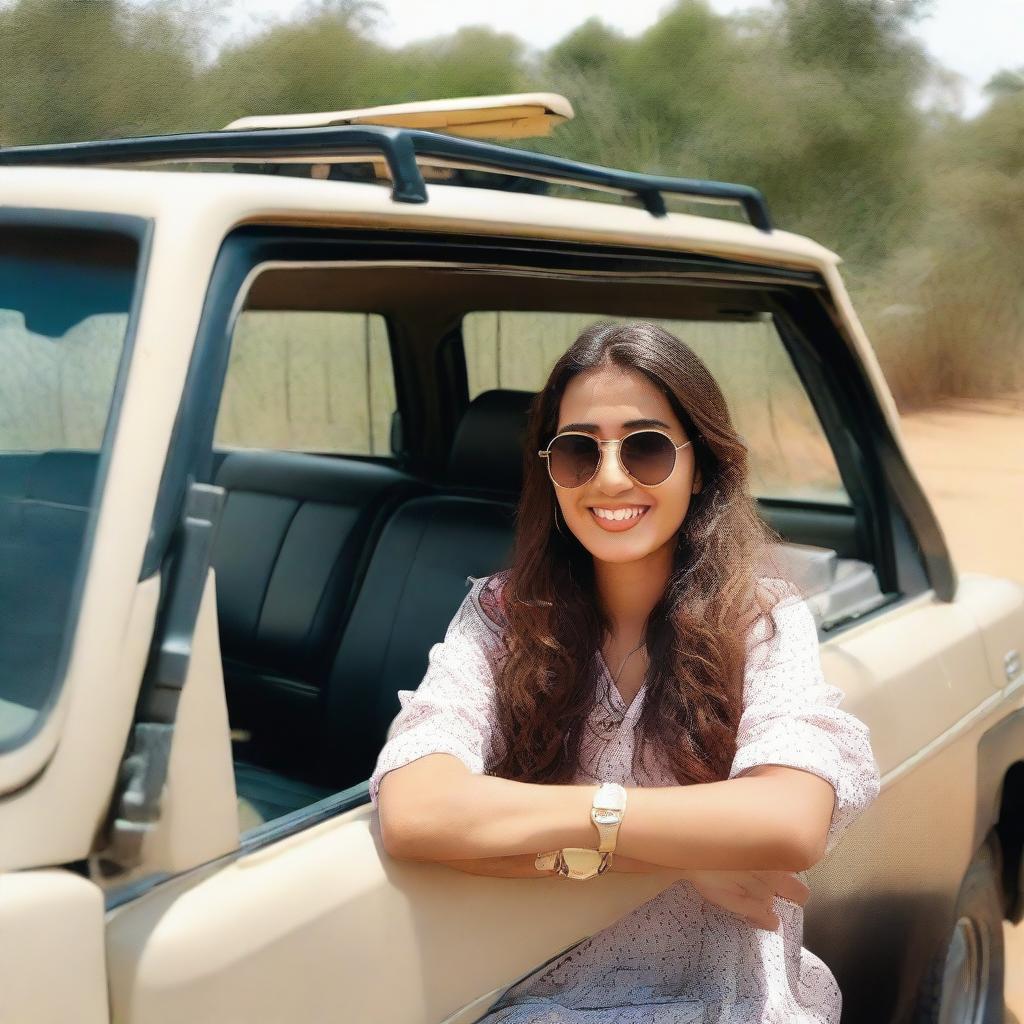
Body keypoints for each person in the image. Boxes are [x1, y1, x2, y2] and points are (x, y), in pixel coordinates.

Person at [369, 320, 882, 1023]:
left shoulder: (757, 616)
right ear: (549, 471)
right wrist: (681, 856)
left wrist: (536, 829)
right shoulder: (499, 616)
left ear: (700, 464)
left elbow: (789, 819)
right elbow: (416, 810)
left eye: (645, 447)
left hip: (722, 1003)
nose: (610, 478)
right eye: (578, 452)